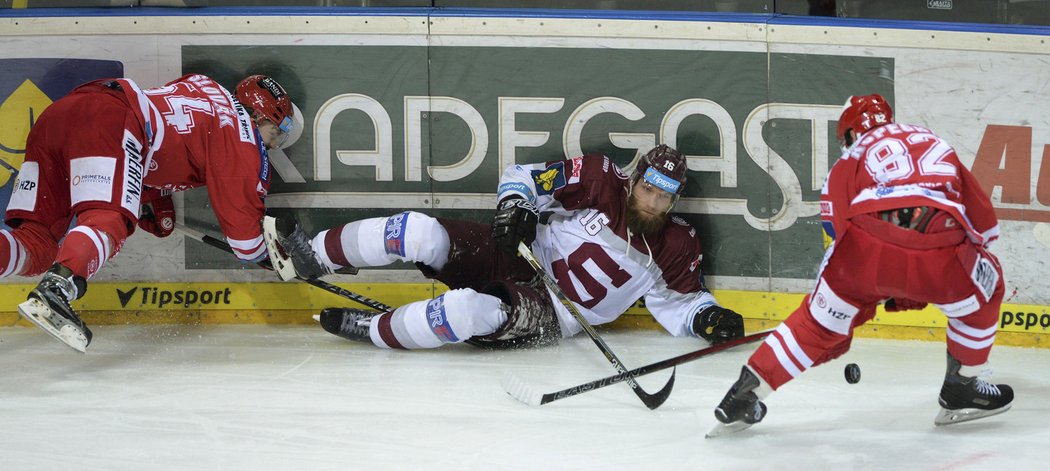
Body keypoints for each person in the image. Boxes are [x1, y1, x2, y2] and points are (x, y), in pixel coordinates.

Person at [709, 94, 1011, 436]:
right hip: (939, 242)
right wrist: (940, 277)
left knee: (815, 325)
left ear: (851, 134)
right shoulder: (932, 140)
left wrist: (858, 304)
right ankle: (962, 386)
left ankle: (745, 393)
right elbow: (984, 226)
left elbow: (840, 236)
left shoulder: (849, 159)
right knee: (989, 289)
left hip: (865, 249)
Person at [266, 145, 746, 350]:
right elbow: (526, 178)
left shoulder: (678, 243)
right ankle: (312, 255)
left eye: (664, 196)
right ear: (636, 176)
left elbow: (681, 302)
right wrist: (514, 206)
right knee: (418, 231)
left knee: (469, 311)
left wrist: (707, 318)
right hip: (518, 249)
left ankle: (376, 331)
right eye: (648, 189)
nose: (653, 201)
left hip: (552, 312)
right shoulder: (600, 177)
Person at [2, 73, 295, 352]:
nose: (271, 145)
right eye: (276, 133)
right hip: (108, 120)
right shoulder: (243, 137)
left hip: (63, 113)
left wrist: (153, 198)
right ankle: (58, 288)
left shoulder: (204, 85)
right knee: (107, 221)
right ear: (258, 115)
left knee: (35, 244)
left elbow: (164, 136)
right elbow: (245, 241)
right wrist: (272, 257)